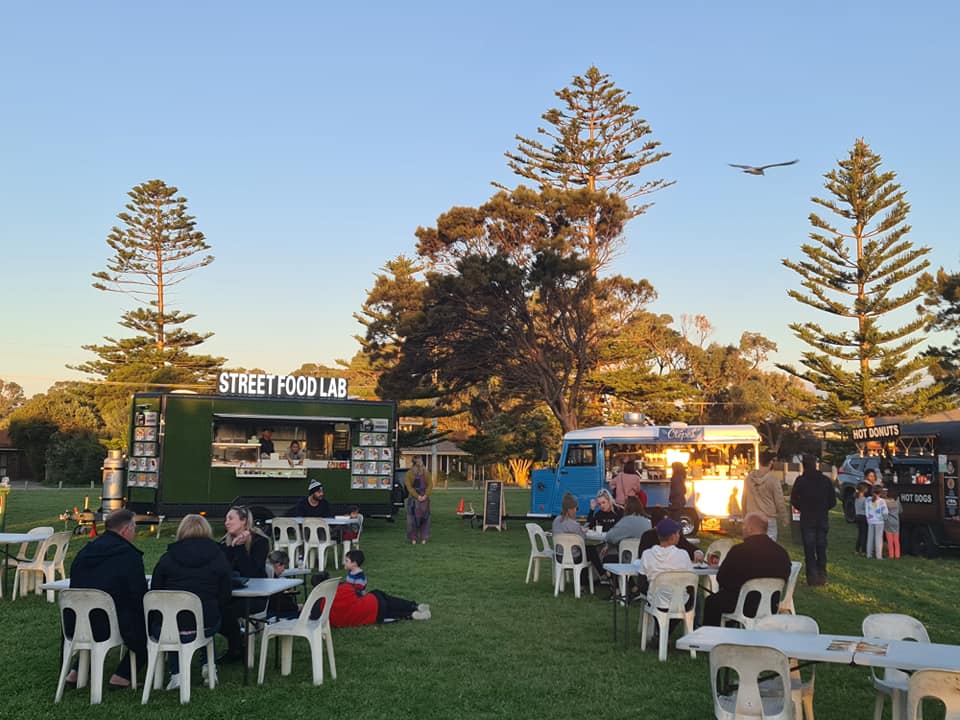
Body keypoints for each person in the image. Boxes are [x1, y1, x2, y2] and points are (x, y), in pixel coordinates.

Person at [150, 514, 232, 690]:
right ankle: (208, 665)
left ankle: (177, 673)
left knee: (171, 622)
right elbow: (226, 593)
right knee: (204, 617)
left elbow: (155, 591)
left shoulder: (167, 558)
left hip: (171, 625)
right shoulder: (218, 556)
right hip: (206, 624)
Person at [67, 509, 147, 688]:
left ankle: (76, 672)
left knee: (96, 617)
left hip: (75, 621)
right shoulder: (129, 555)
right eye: (133, 528)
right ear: (126, 529)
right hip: (108, 624)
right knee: (150, 628)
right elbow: (138, 594)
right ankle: (122, 675)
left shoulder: (85, 552)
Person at [703, 513, 792, 626]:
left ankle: (711, 637)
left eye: (744, 526)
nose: (742, 529)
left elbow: (722, 578)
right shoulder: (781, 553)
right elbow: (785, 576)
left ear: (750, 529)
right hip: (770, 604)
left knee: (712, 602)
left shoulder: (738, 551)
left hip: (743, 604)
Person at [218, 505, 270, 662]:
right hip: (231, 593)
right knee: (212, 609)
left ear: (244, 521)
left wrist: (239, 549)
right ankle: (236, 644)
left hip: (255, 596)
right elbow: (223, 569)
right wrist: (231, 548)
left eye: (231, 518)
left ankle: (236, 647)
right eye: (226, 518)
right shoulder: (224, 543)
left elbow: (252, 572)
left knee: (224, 611)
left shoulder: (260, 542)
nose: (227, 522)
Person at [790, 454, 836, 586]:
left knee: (809, 549)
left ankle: (812, 576)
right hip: (822, 517)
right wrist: (823, 508)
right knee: (821, 547)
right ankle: (822, 574)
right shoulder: (825, 480)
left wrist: (803, 507)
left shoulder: (801, 480)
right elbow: (832, 501)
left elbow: (794, 499)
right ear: (816, 464)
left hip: (807, 518)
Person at [636, 518, 695, 601]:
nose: (679, 536)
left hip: (656, 602)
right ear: (673, 537)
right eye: (678, 533)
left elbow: (641, 584)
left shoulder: (647, 554)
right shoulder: (683, 554)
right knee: (696, 599)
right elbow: (690, 581)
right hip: (680, 602)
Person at [740, 451, 786, 541]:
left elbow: (744, 499)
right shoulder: (773, 480)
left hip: (752, 517)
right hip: (768, 517)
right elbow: (779, 501)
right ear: (771, 463)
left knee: (752, 546)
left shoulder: (749, 479)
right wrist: (784, 517)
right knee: (770, 547)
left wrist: (744, 516)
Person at [405, 457, 433, 545]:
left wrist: (425, 495)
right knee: (412, 519)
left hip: (424, 499)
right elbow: (409, 487)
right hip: (413, 500)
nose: (420, 466)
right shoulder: (409, 474)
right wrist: (417, 496)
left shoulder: (426, 473)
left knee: (425, 519)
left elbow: (430, 484)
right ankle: (413, 538)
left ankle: (423, 538)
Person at [266, 550, 300, 619]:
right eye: (284, 567)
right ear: (278, 564)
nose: (283, 570)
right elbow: (279, 603)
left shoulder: (266, 572)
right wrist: (296, 607)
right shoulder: (272, 579)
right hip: (270, 612)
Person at [865, 485, 889, 559]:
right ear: (881, 493)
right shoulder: (882, 501)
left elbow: (866, 511)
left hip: (870, 520)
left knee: (870, 538)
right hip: (879, 521)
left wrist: (868, 518)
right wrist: (885, 519)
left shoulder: (868, 500)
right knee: (878, 539)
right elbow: (885, 512)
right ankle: (878, 556)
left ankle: (869, 554)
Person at [884, 488, 902, 559]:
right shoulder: (897, 502)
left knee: (890, 540)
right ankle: (897, 555)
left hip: (888, 521)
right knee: (896, 540)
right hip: (896, 522)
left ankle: (891, 555)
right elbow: (900, 510)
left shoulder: (885, 502)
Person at [854, 482, 869, 556]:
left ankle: (857, 549)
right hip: (863, 517)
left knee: (860, 534)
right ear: (864, 490)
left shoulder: (856, 498)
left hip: (857, 516)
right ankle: (863, 550)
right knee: (864, 534)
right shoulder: (864, 499)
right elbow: (866, 508)